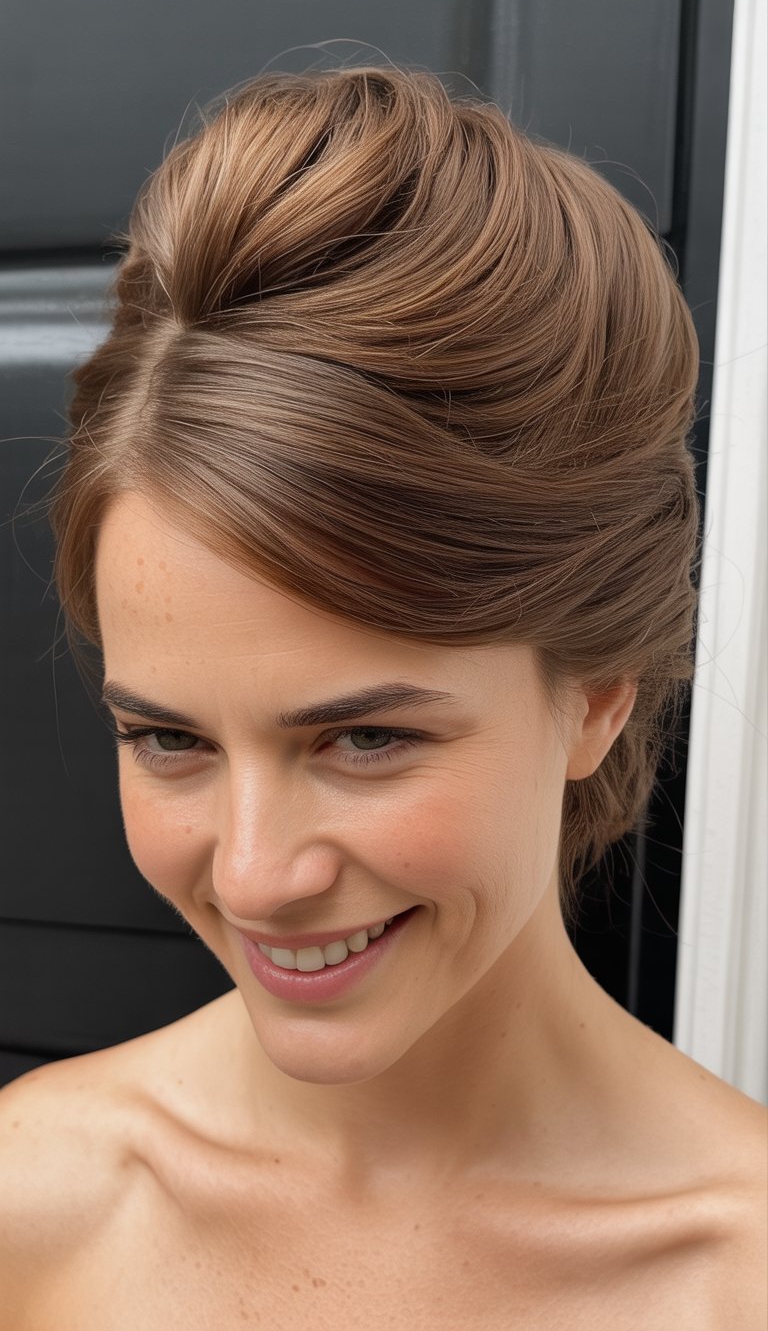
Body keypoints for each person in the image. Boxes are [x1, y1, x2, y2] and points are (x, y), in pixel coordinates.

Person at [2, 67, 765, 1329]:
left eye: (365, 737)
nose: (252, 878)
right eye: (168, 738)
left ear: (596, 699)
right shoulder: (41, 1200)